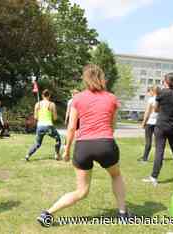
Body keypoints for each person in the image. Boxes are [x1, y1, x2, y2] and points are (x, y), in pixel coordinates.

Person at [37, 65, 130, 227]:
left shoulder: (77, 98)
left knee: (81, 191)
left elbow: (72, 127)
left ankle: (47, 214)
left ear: (85, 79)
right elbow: (112, 126)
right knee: (116, 175)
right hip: (105, 143)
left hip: (83, 146)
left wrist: (66, 150)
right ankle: (122, 213)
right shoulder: (112, 98)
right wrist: (105, 141)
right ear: (102, 78)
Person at [143, 73, 173, 186]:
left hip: (162, 125)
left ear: (166, 81)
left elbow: (155, 109)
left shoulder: (162, 93)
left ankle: (154, 177)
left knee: (159, 150)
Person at [25, 89, 61, 161]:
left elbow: (35, 117)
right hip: (48, 126)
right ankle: (57, 155)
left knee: (37, 143)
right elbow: (55, 117)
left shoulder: (37, 104)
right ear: (49, 95)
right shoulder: (52, 104)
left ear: (42, 95)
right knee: (58, 139)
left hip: (40, 126)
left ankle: (28, 155)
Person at [139, 86, 160, 162]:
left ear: (152, 91)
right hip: (159, 123)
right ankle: (158, 158)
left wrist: (143, 122)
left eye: (149, 91)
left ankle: (145, 158)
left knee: (148, 141)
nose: (148, 93)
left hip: (150, 122)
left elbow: (147, 112)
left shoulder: (151, 99)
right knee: (158, 142)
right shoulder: (161, 99)